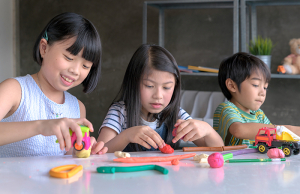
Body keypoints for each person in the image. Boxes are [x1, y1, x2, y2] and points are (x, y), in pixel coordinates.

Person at [0, 12, 107, 157]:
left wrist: (82, 148)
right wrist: (41, 126)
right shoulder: (14, 90)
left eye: (85, 66)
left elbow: (67, 157)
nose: (75, 71)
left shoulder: (77, 108)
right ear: (44, 48)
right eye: (69, 58)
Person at [94, 44, 224, 153]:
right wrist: (127, 136)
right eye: (149, 86)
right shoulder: (120, 112)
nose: (158, 95)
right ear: (133, 83)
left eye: (166, 87)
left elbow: (219, 150)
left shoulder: (176, 114)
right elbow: (100, 151)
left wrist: (208, 130)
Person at [213, 52, 300, 146]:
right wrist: (284, 130)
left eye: (265, 87)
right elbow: (239, 130)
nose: (263, 93)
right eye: (256, 85)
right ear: (232, 86)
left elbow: (273, 138)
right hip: (231, 160)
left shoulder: (259, 115)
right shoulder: (226, 108)